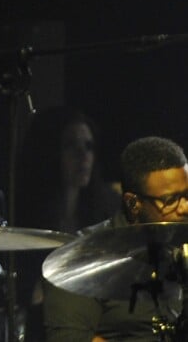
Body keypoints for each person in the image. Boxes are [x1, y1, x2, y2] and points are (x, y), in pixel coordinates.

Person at [43, 135, 188, 341]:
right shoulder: (82, 257)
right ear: (133, 204)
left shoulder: (179, 247)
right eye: (171, 200)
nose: (185, 208)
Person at [13, 106, 121, 340]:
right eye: (71, 145)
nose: (83, 156)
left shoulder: (107, 212)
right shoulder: (25, 221)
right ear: (50, 153)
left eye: (89, 146)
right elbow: (30, 296)